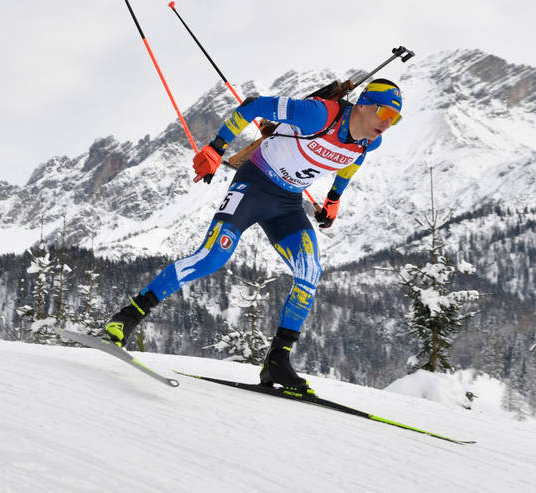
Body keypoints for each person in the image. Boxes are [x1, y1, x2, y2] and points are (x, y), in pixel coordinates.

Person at [102, 79, 403, 391]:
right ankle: (128, 316)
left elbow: (352, 164)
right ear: (364, 104)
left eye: (395, 118)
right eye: (384, 112)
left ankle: (277, 361)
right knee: (211, 258)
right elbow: (255, 105)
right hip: (254, 187)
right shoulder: (319, 114)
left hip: (288, 205)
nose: (387, 122)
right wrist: (216, 148)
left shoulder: (370, 141)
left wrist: (333, 199)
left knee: (310, 271)